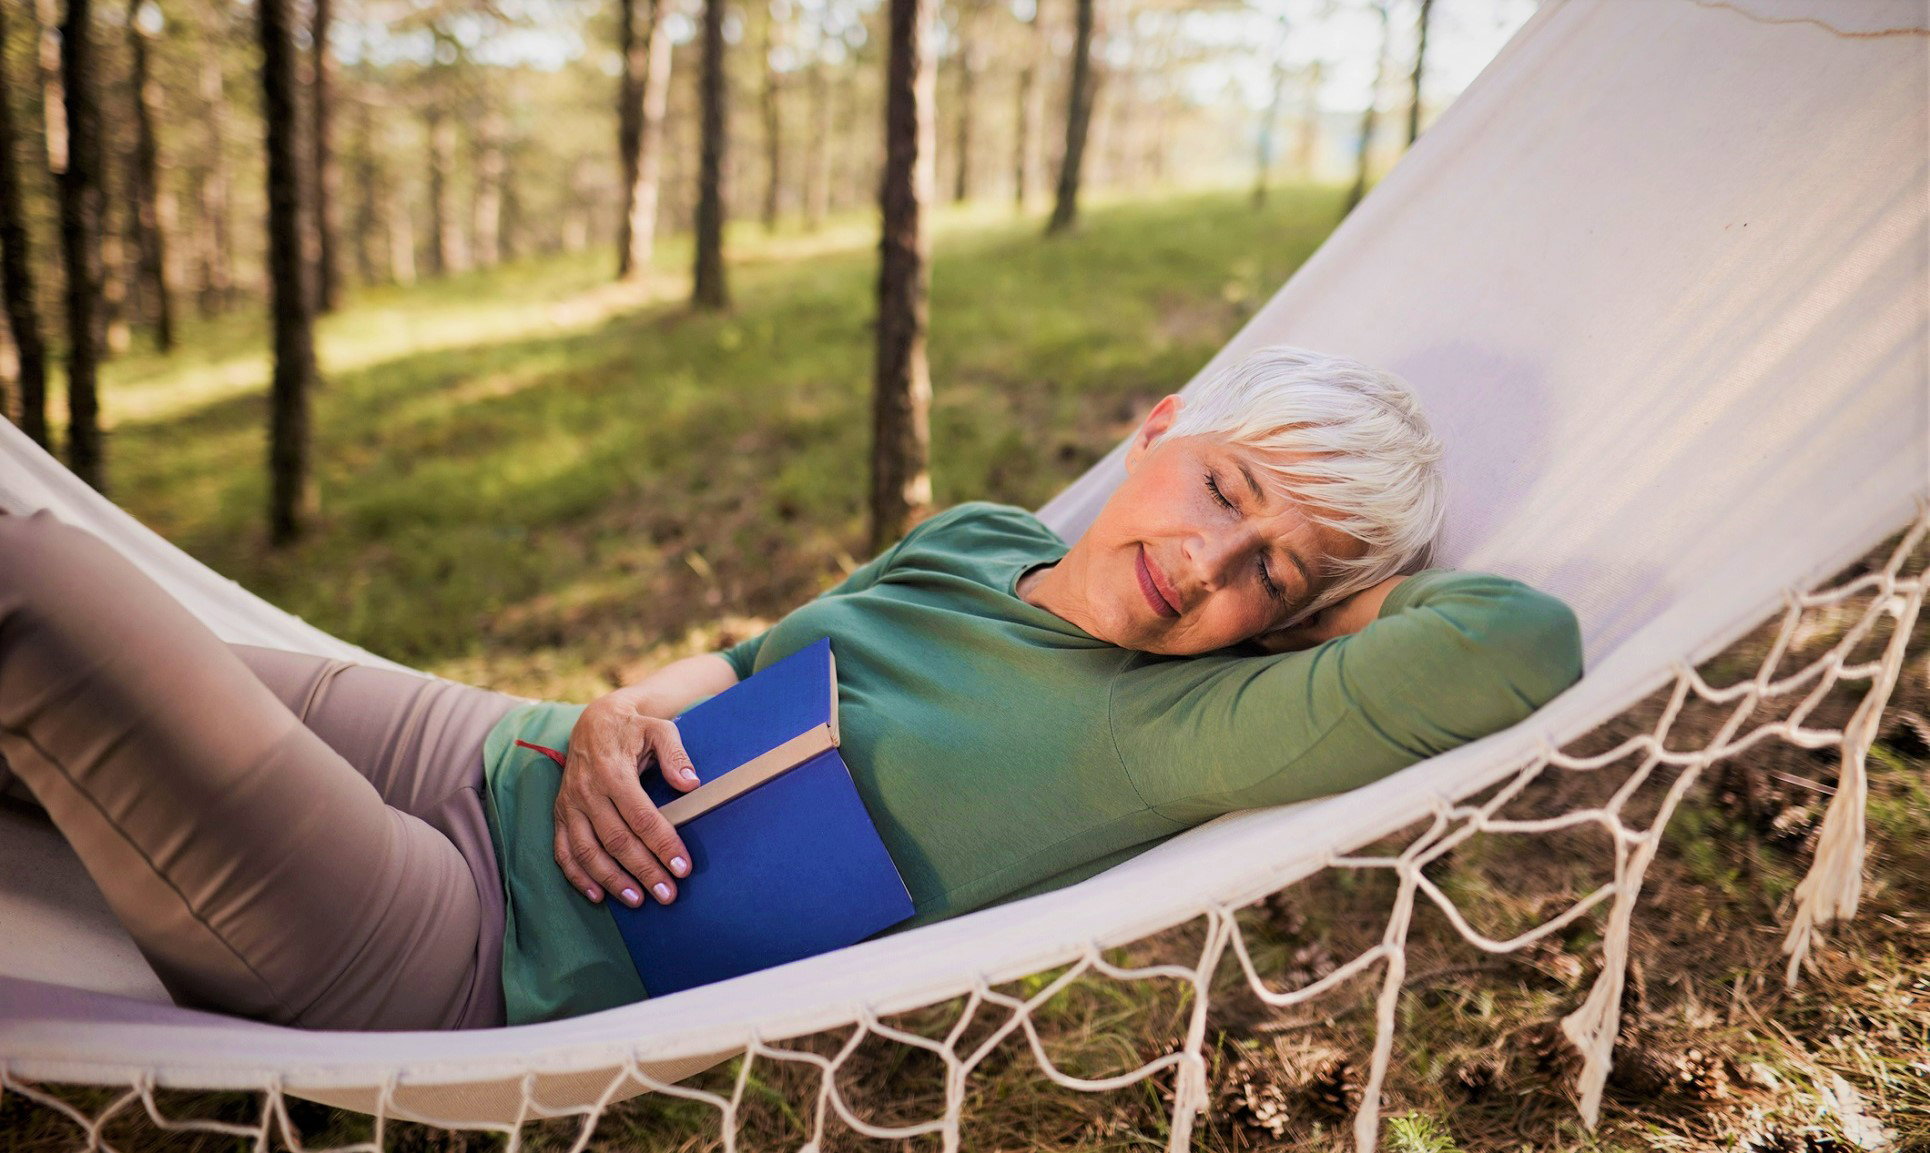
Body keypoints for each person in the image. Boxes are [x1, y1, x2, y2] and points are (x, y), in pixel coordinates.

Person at [0, 346, 1583, 1033]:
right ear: (1161, 425)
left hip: (462, 938)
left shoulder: (1168, 730)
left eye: (1278, 579)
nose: (1214, 562)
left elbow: (1515, 642)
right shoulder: (974, 540)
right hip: (494, 747)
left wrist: (1340, 587)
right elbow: (756, 662)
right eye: (1225, 487)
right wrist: (623, 700)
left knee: (36, 596)